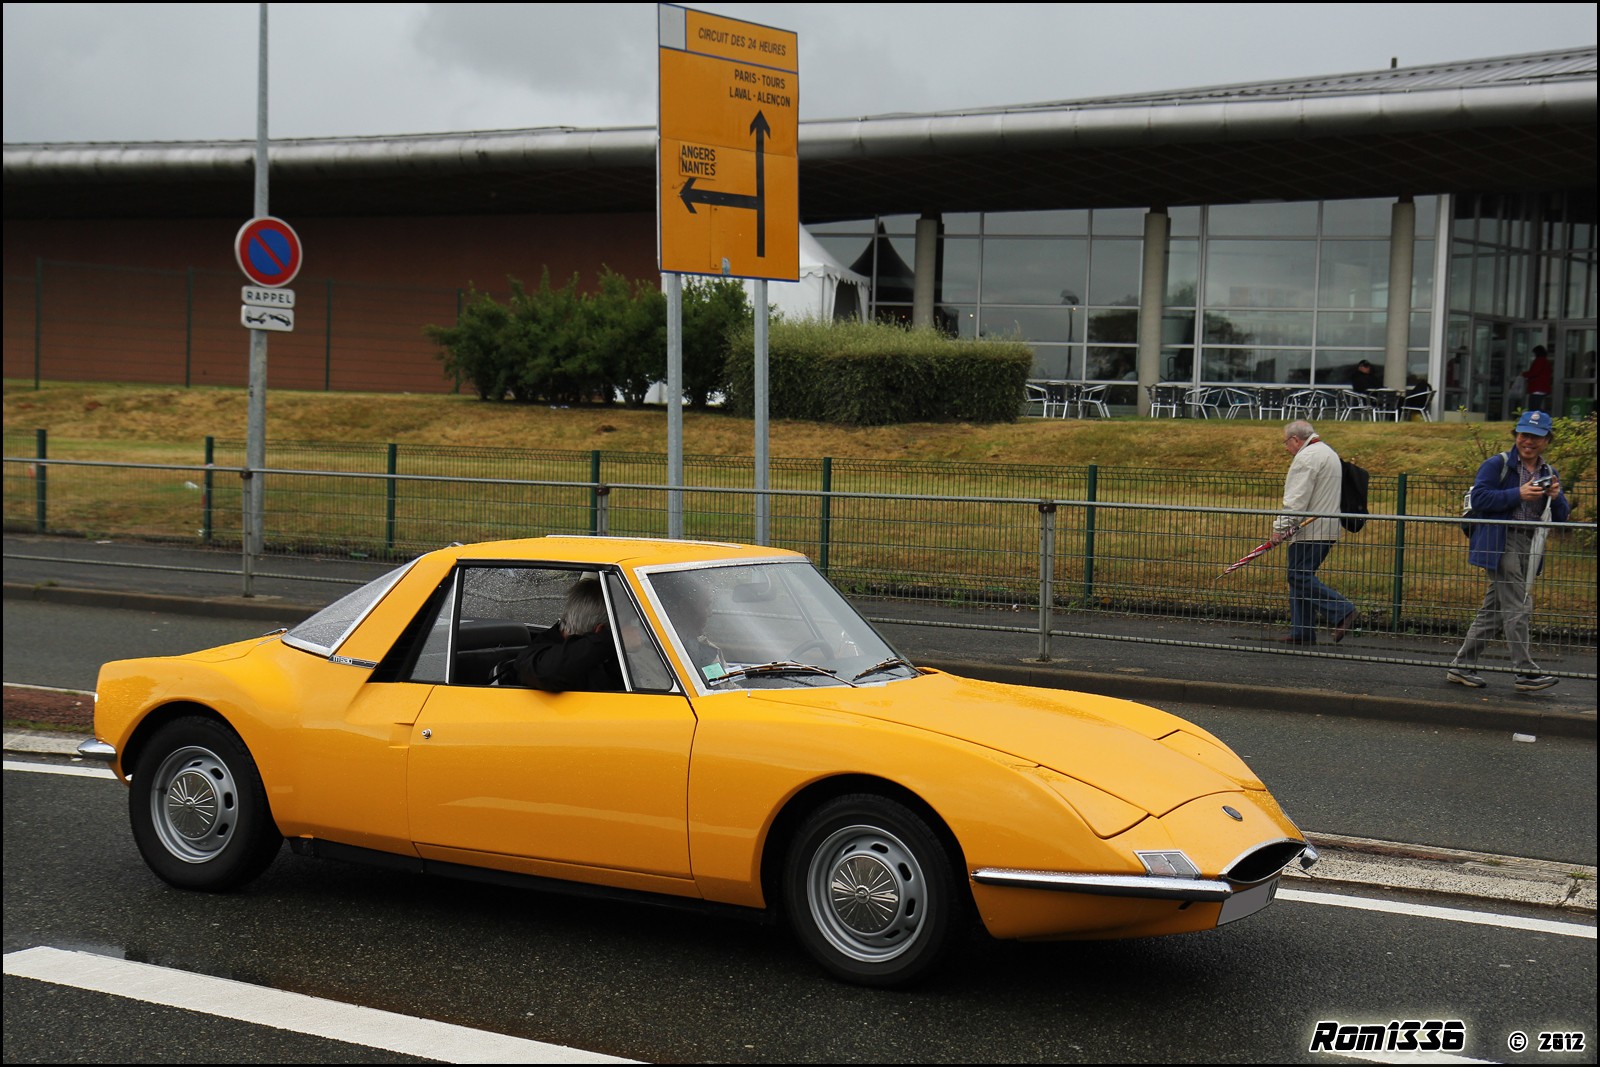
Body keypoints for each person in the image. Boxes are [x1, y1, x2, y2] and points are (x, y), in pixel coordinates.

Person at [1447, 409, 1570, 692]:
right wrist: (1519, 494)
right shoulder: (1497, 464)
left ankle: (1461, 665)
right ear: (1516, 435)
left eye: (1536, 437)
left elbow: (1561, 517)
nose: (1529, 441)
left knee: (1495, 609)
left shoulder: (1549, 472)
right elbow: (1479, 497)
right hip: (1502, 541)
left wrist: (1556, 496)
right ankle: (1525, 672)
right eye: (1524, 435)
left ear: (1547, 441)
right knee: (1518, 604)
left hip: (1529, 543)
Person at [1271, 420, 1357, 645]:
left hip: (1311, 530)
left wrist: (1280, 528)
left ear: (1295, 440)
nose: (1286, 448)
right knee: (1300, 576)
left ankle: (1343, 610)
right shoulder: (1328, 452)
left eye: (1286, 443)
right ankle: (1302, 631)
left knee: (1298, 575)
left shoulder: (1307, 457)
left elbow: (1296, 499)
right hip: (1327, 527)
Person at [504, 578, 623, 691]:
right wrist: (618, 638)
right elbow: (546, 673)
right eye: (627, 626)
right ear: (600, 630)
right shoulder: (537, 660)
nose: (636, 633)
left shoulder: (604, 658)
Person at [1520, 345, 1553, 412]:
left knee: (1534, 406)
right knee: (1536, 406)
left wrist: (1524, 374)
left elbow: (1534, 372)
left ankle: (1539, 420)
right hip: (1542, 387)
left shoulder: (1539, 361)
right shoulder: (1546, 361)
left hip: (1537, 388)